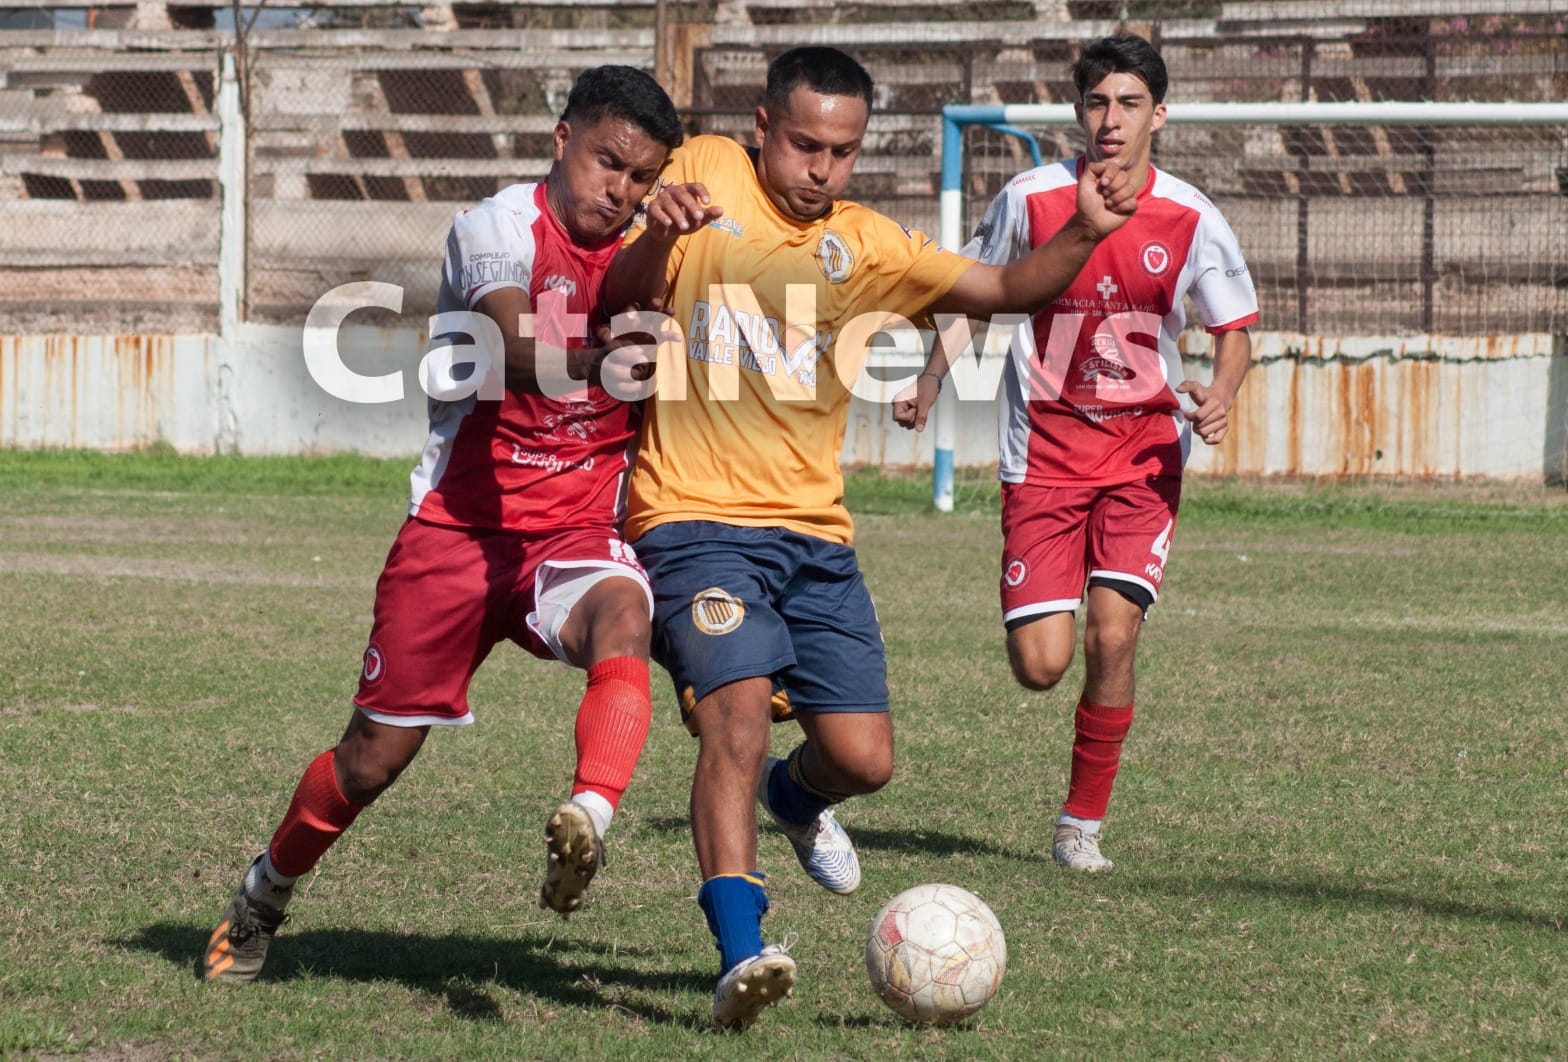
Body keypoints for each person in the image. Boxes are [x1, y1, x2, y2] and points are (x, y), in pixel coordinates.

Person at [601, 45, 1143, 1029]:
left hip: (814, 537)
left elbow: (1004, 290)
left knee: (862, 760)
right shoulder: (703, 172)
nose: (821, 168)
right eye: (805, 144)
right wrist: (651, 234)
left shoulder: (868, 244)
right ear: (761, 125)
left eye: (842, 152)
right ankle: (741, 948)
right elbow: (612, 296)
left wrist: (1083, 235)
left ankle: (796, 798)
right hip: (688, 520)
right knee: (729, 716)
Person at [201, 65, 683, 985]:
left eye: (640, 180)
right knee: (373, 760)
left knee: (627, 616)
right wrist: (609, 355)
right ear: (561, 138)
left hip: (571, 531)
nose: (618, 192)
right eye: (606, 163)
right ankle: (265, 892)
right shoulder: (496, 228)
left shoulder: (646, 243)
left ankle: (589, 817)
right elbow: (509, 348)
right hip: (457, 532)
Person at [893, 33, 1258, 873]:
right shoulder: (1029, 199)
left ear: (1158, 115)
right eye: (1097, 102)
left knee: (1114, 634)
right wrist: (931, 378)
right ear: (1076, 111)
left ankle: (1080, 826)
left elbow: (1235, 326)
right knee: (1040, 664)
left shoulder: (1193, 216)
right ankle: (1072, 787)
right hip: (1044, 459)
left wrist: (1223, 393)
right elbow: (971, 297)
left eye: (1129, 104)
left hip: (1143, 457)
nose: (1111, 120)